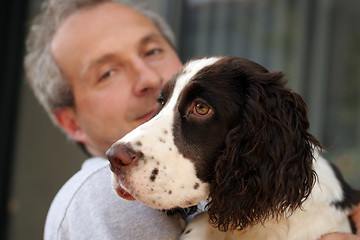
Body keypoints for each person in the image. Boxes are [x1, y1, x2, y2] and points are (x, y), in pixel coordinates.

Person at [24, 0, 360, 239]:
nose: (148, 78)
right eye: (107, 73)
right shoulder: (101, 200)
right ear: (70, 123)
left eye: (152, 51)